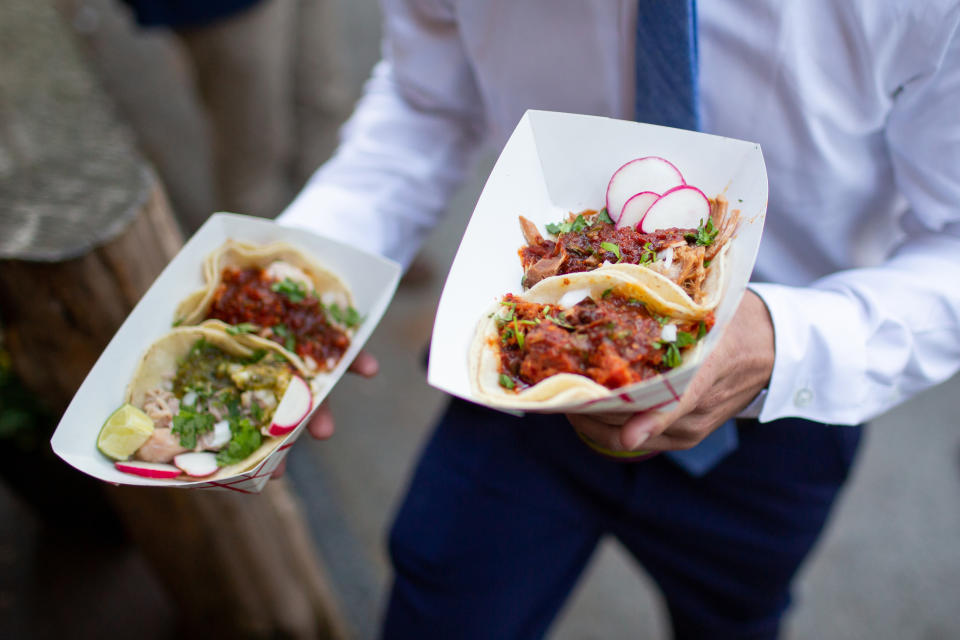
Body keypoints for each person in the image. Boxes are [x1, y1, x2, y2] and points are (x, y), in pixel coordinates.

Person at [279, 1, 960, 638]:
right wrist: (319, 276)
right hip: (523, 364)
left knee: (733, 619)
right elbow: (424, 102)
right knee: (438, 603)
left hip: (775, 418)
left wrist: (783, 344)